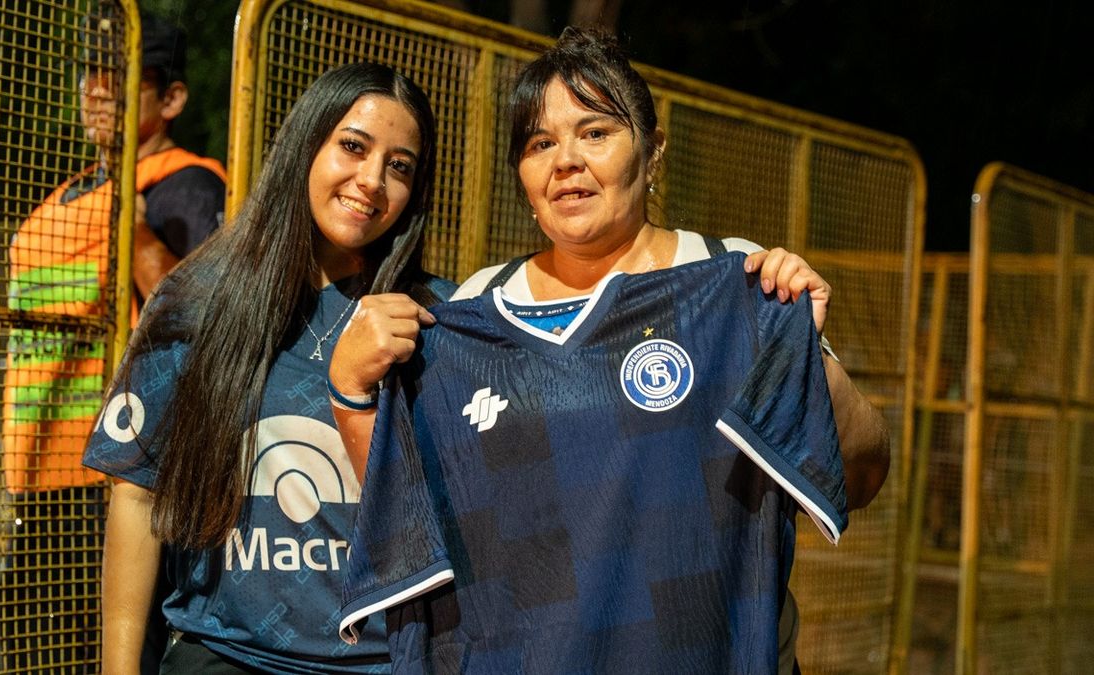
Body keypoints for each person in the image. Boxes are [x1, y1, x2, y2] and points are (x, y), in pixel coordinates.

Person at [329, 26, 889, 673]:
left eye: (594, 131)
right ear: (522, 174)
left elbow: (863, 474)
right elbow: (422, 511)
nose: (566, 160)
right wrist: (351, 394)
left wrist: (807, 358)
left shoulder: (738, 279)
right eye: (540, 143)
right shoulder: (477, 313)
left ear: (652, 152)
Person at [81, 62, 454, 673]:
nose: (372, 180)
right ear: (306, 146)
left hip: (377, 662)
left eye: (400, 166)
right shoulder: (197, 297)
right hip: (223, 653)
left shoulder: (432, 318)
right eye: (353, 147)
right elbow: (136, 493)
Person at [1, 12, 226, 673]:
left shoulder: (187, 185)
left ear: (173, 98)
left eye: (123, 76)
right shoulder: (68, 193)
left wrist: (135, 235)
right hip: (40, 473)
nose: (97, 89)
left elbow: (200, 317)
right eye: (90, 74)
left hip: (115, 481)